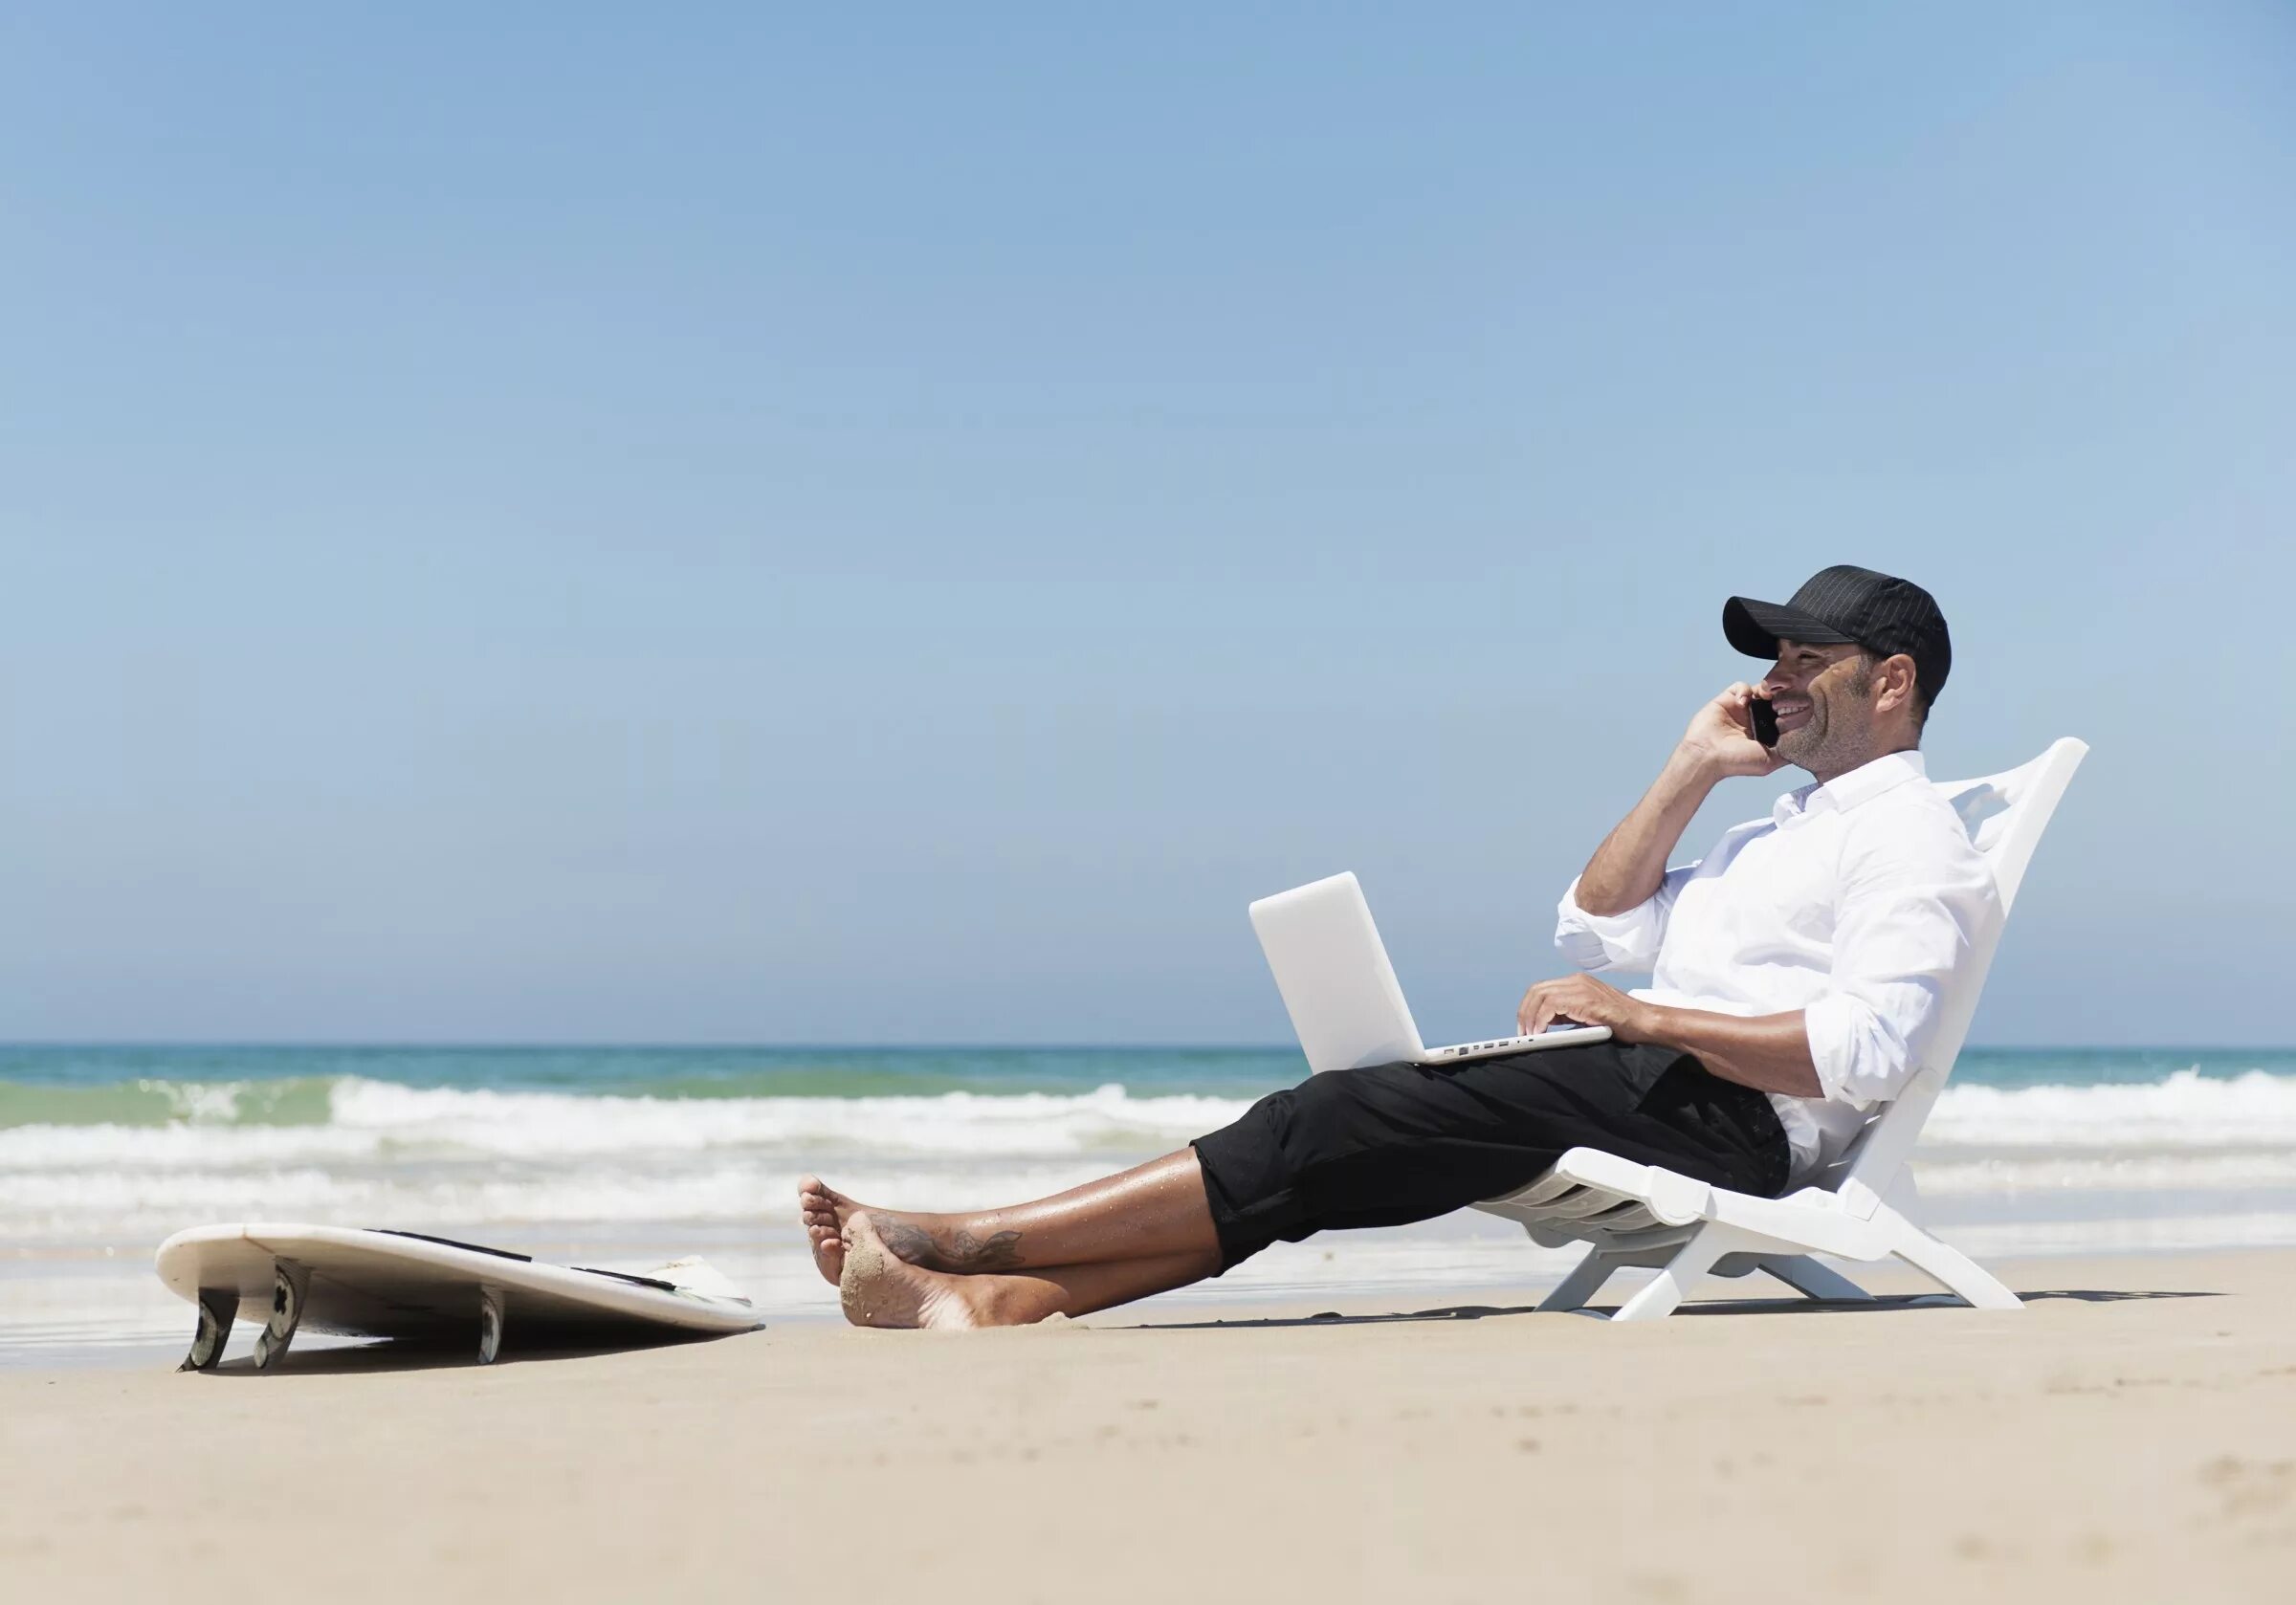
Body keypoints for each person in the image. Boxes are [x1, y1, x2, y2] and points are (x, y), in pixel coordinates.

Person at [801, 565, 2001, 1330]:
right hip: (1660, 1088)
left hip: (1734, 1126)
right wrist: (1690, 766)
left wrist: (1637, 1018)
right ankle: (1002, 1302)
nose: (1773, 682)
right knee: (1342, 1143)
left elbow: (1864, 1052)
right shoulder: (1777, 829)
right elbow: (1597, 917)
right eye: (1772, 660)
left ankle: (959, 1238)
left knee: (1331, 1117)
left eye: (1806, 662)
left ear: (1891, 682)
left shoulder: (1909, 837)